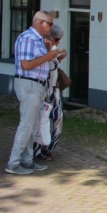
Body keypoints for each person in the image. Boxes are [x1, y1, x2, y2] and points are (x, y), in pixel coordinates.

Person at [6, 11, 61, 175]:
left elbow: (39, 62)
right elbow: (26, 65)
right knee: (26, 124)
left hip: (37, 85)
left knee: (31, 124)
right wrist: (48, 55)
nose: (51, 28)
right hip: (29, 84)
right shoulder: (28, 38)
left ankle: (27, 160)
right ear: (40, 22)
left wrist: (48, 52)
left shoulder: (38, 40)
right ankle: (13, 163)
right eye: (50, 24)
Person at [33, 25, 67, 161]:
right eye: (57, 39)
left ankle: (49, 147)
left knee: (59, 118)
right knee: (41, 119)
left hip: (54, 90)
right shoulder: (42, 50)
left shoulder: (53, 51)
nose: (58, 42)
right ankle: (38, 149)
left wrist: (59, 59)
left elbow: (53, 68)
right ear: (49, 38)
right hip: (44, 91)